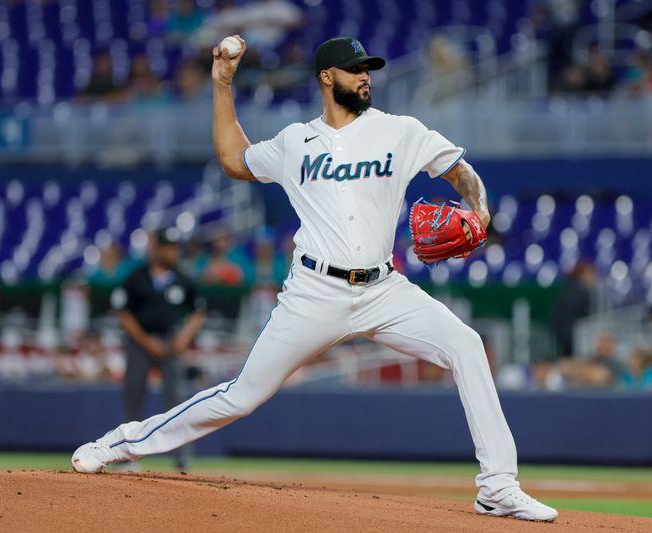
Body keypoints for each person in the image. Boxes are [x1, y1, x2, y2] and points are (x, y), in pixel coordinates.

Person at [71, 36, 558, 522]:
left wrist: (479, 207)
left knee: (466, 345)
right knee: (242, 396)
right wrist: (222, 86)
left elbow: (458, 171)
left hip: (383, 290)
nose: (365, 76)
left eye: (368, 69)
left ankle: (497, 486)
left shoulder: (400, 131)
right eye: (354, 69)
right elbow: (233, 160)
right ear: (327, 78)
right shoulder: (294, 142)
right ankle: (123, 442)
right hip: (314, 292)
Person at [108, 228, 206, 470]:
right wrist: (145, 340)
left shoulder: (183, 278)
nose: (173, 252)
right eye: (168, 248)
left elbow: (198, 312)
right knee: (134, 396)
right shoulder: (137, 277)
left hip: (171, 342)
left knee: (176, 400)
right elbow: (123, 312)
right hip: (140, 343)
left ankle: (181, 457)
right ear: (157, 249)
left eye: (175, 248)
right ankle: (126, 457)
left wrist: (184, 337)